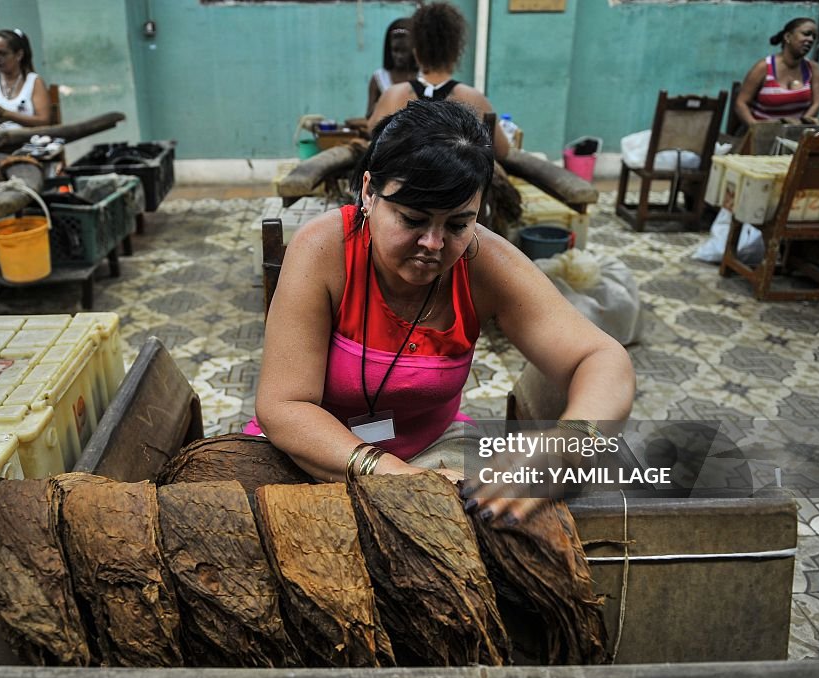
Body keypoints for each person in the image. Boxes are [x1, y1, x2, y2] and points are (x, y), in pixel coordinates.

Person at [253, 99, 635, 524]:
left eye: (457, 224)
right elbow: (284, 405)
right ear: (368, 192)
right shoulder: (323, 251)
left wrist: (566, 446)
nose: (433, 245)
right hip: (315, 454)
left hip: (435, 450)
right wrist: (391, 472)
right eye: (413, 219)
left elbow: (604, 358)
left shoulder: (484, 263)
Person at [367, 3, 510, 162]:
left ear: (416, 51)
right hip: (456, 186)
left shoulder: (392, 96)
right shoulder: (474, 98)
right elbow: (502, 150)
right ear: (456, 52)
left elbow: (373, 136)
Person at [734, 17, 819, 129]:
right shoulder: (763, 68)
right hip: (761, 135)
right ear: (787, 37)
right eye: (806, 34)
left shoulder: (813, 69)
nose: (810, 39)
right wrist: (756, 128)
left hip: (795, 137)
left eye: (813, 37)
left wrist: (798, 127)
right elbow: (741, 104)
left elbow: (816, 104)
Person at [0, 29, 52, 130]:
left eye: (3, 53)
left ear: (19, 55)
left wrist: (5, 114)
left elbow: (44, 121)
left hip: (30, 141)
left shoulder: (34, 82)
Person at [365, 18, 417, 119]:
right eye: (395, 50)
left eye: (404, 51)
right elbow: (369, 115)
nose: (399, 56)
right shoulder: (379, 78)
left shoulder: (421, 77)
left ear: (414, 51)